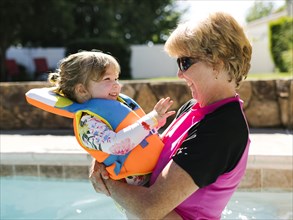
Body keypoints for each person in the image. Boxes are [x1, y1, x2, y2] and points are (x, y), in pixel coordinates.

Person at [89, 12, 252, 220]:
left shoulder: (222, 128)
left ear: (217, 63)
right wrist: (104, 156)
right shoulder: (193, 108)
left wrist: (108, 183)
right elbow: (148, 155)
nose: (179, 74)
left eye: (185, 62)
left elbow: (150, 208)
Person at [27, 50, 175, 186]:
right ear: (82, 90)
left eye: (116, 78)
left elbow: (138, 135)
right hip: (135, 187)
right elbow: (117, 145)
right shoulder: (87, 123)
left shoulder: (118, 105)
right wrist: (150, 120)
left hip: (153, 173)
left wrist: (156, 123)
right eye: (107, 79)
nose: (117, 84)